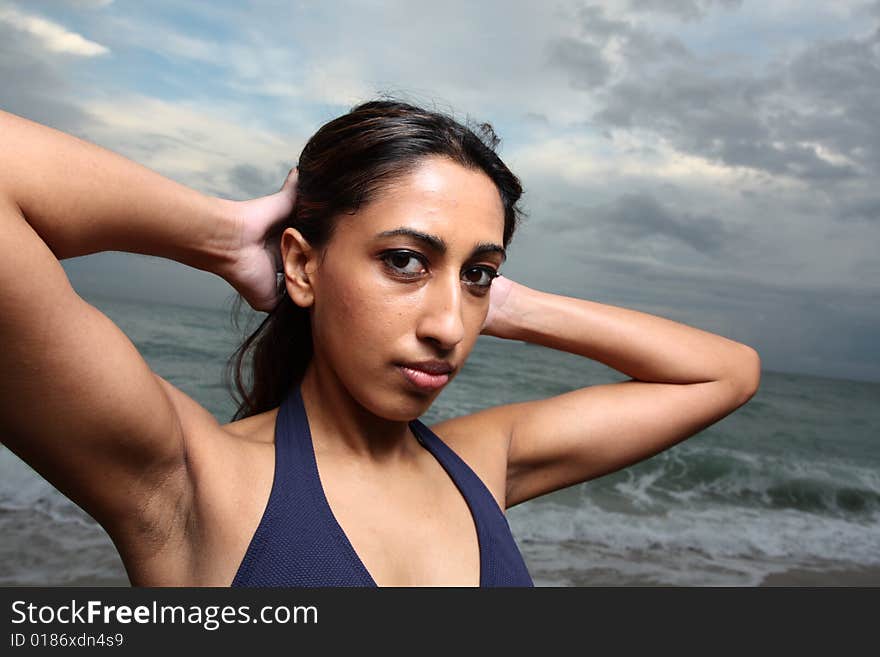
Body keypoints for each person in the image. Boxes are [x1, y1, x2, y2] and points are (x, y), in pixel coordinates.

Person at [0, 99, 761, 587]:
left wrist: (501, 299)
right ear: (302, 263)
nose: (448, 326)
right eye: (405, 260)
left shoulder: (481, 461)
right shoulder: (191, 477)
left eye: (478, 273)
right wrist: (224, 236)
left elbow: (724, 374)